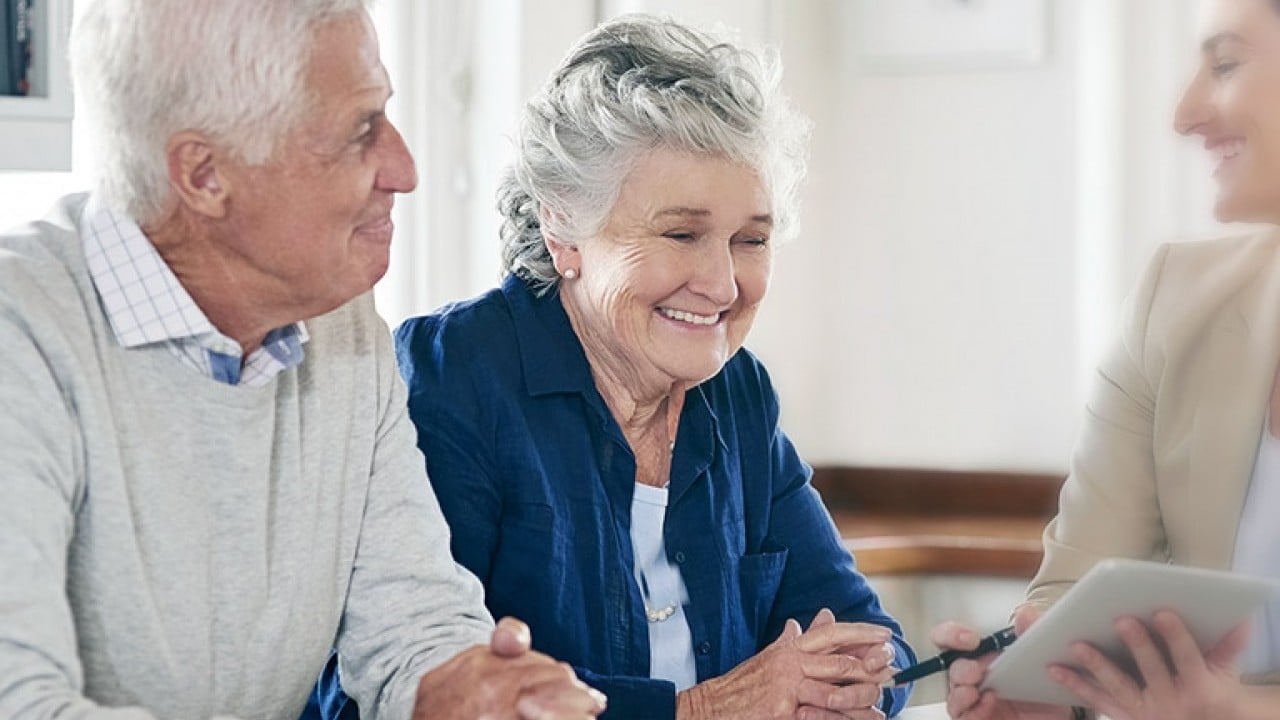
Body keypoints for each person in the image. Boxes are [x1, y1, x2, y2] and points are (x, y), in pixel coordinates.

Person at [0, 1, 608, 719]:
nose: (405, 169)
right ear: (204, 175)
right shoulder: (22, 335)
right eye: (359, 132)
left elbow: (413, 626)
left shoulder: (339, 322)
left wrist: (480, 693)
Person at [374, 14, 914, 720]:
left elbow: (869, 641)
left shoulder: (738, 392)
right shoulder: (453, 378)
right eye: (681, 234)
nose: (722, 285)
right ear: (562, 228)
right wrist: (704, 709)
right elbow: (417, 693)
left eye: (751, 240)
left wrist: (848, 688)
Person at [936, 0, 1280, 718]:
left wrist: (1237, 712)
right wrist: (1050, 690)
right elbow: (1073, 596)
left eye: (1224, 64)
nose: (1184, 115)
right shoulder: (1175, 303)